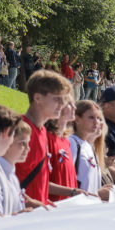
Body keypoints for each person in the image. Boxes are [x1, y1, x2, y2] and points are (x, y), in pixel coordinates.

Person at [15, 70, 70, 204]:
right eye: (57, 99)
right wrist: (28, 201)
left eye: (64, 99)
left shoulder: (43, 131)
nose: (62, 104)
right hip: (19, 214)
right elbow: (3, 176)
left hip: (36, 213)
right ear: (38, 98)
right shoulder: (19, 130)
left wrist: (43, 198)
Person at [46, 94, 91, 202]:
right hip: (53, 209)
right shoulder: (47, 138)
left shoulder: (66, 141)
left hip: (68, 207)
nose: (74, 107)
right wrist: (72, 192)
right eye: (69, 104)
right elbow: (41, 182)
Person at [70, 101, 112, 201]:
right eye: (91, 117)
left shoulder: (89, 147)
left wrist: (99, 190)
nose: (96, 122)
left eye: (98, 118)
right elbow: (66, 182)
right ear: (77, 119)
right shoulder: (72, 143)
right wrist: (97, 193)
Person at [0, 121, 32, 217]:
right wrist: (17, 216)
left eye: (28, 143)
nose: (28, 148)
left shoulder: (11, 174)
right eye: (22, 143)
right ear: (8, 142)